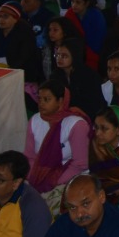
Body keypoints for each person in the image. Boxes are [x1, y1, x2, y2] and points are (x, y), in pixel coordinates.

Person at [25, 79, 90, 212]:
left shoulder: (76, 124)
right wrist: (34, 178)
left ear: (60, 101)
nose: (41, 103)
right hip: (41, 175)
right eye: (39, 99)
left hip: (71, 177)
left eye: (47, 99)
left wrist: (53, 182)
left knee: (52, 206)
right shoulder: (35, 121)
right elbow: (29, 157)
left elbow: (80, 164)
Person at [51, 42, 107, 119]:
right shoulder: (55, 75)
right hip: (63, 117)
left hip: (88, 116)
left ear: (75, 56)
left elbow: (95, 103)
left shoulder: (89, 75)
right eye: (57, 55)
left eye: (64, 56)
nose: (59, 58)